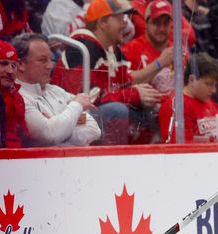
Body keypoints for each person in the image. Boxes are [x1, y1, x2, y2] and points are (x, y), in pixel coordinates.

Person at [51, 0, 161, 144]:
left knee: (152, 108)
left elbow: (125, 83)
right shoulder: (81, 48)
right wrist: (133, 93)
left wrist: (144, 94)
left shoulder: (113, 50)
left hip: (89, 114)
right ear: (102, 22)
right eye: (120, 18)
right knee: (116, 110)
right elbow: (86, 98)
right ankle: (114, 161)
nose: (125, 24)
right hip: (71, 117)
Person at [14, 32, 100, 146]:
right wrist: (76, 106)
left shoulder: (57, 91)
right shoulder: (18, 97)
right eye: (42, 60)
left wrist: (58, 127)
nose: (50, 66)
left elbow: (94, 129)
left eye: (50, 60)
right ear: (21, 64)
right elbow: (50, 135)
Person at [158, 52, 218, 142]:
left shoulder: (208, 101)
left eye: (215, 85)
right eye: (208, 84)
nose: (214, 90)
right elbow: (182, 150)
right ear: (192, 80)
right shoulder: (177, 107)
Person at [0, 40, 29, 148]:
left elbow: (24, 136)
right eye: (3, 64)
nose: (10, 71)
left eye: (14, 65)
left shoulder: (17, 97)